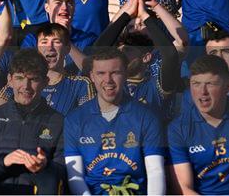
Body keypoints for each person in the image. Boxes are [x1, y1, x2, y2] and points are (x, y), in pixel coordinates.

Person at [64, 48, 166, 195]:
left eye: (115, 73)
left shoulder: (146, 116)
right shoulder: (75, 119)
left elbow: (155, 171)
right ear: (92, 76)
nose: (108, 80)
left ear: (125, 74)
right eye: (101, 73)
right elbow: (76, 178)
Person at [0, 48, 66, 194]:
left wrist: (45, 166)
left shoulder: (59, 122)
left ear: (45, 82)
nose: (26, 87)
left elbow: (65, 171)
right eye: (20, 78)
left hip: (36, 189)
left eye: (33, 79)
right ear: (9, 80)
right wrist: (3, 161)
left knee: (51, 181)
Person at [93, 0, 182, 119]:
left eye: (127, 51)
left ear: (146, 57)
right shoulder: (109, 83)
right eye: (119, 51)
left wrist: (146, 13)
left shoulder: (156, 85)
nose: (121, 55)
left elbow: (172, 54)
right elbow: (98, 49)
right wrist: (129, 8)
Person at [0, 23, 94, 116]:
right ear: (37, 49)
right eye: (44, 42)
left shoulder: (81, 84)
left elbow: (91, 121)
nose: (49, 47)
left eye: (56, 42)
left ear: (67, 49)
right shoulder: (21, 82)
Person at [168, 54, 229, 195]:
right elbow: (184, 188)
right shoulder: (178, 128)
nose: (202, 92)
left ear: (227, 86)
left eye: (210, 84)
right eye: (196, 84)